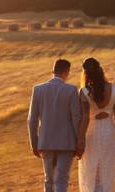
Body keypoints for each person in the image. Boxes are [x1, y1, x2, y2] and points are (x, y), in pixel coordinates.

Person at [28, 59, 82, 192]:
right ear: (66, 72)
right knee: (62, 180)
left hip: (45, 142)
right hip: (66, 142)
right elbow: (76, 118)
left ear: (53, 71)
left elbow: (32, 119)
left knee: (49, 180)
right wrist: (78, 141)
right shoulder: (71, 90)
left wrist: (34, 143)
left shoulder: (38, 90)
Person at [76, 57, 115, 192]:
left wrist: (80, 139)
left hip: (91, 134)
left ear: (85, 73)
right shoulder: (114, 89)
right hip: (108, 133)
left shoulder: (84, 92)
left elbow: (85, 118)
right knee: (106, 171)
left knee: (90, 171)